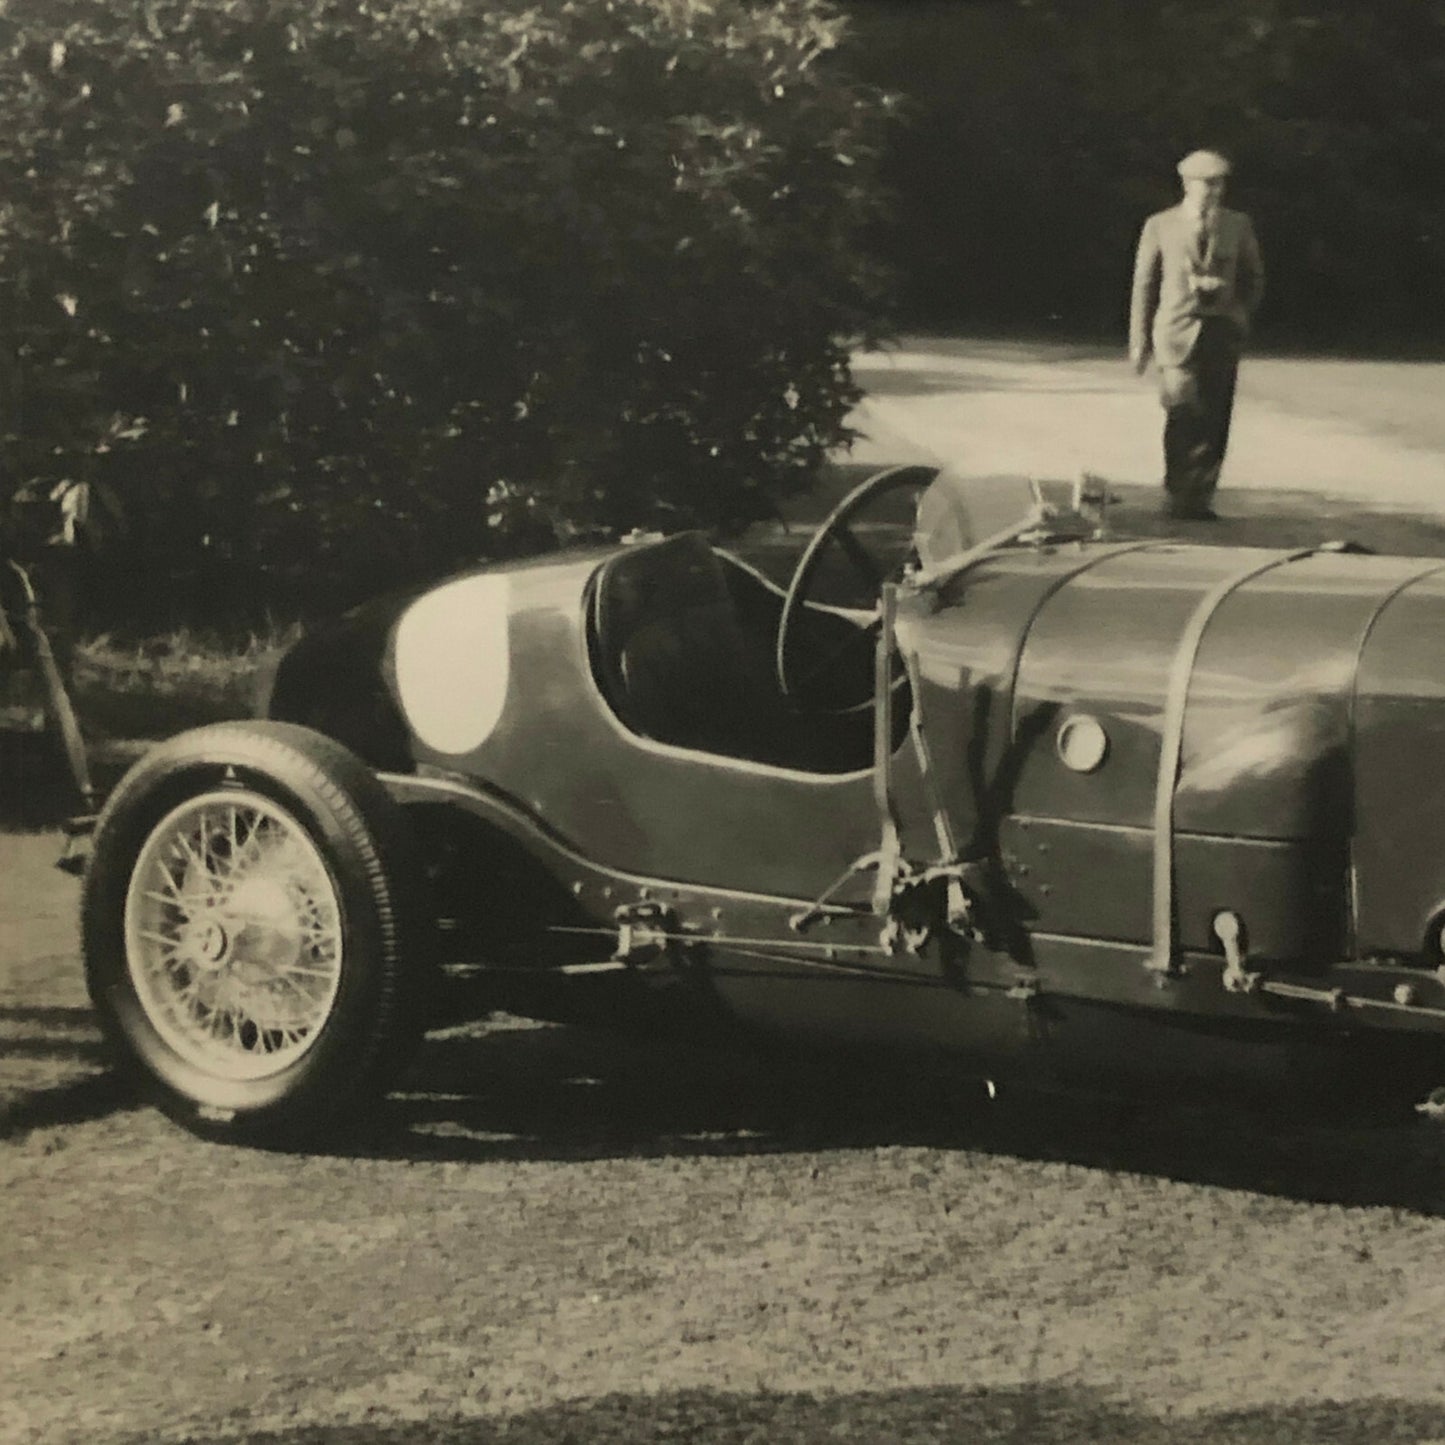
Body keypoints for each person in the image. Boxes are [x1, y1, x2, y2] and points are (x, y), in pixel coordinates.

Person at [1128, 148, 1264, 520]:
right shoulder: (1160, 224)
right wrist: (1139, 341)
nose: (1214, 191)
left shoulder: (1238, 225)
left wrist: (1236, 312)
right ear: (1187, 184)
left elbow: (1254, 278)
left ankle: (1200, 497)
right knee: (1182, 412)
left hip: (1221, 334)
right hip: (1175, 333)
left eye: (1219, 184)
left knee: (1215, 417)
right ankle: (1177, 490)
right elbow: (1145, 284)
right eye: (1206, 184)